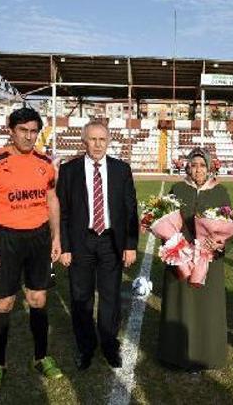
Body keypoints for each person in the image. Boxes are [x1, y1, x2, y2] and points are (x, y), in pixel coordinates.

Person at [0, 107, 64, 392]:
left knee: (37, 299)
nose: (29, 136)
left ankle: (41, 356)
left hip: (38, 239)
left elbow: (51, 200)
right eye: (23, 130)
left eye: (34, 131)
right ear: (10, 130)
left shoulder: (45, 162)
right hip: (5, 239)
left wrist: (56, 237)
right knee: (3, 304)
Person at [56, 121, 138, 370]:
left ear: (108, 141)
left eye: (102, 139)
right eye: (93, 139)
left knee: (110, 297)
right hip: (81, 242)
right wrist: (66, 246)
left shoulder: (121, 169)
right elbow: (63, 212)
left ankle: (109, 346)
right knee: (81, 298)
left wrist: (130, 244)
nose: (98, 144)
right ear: (84, 141)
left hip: (110, 241)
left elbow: (130, 209)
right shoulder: (69, 170)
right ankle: (86, 347)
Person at [157, 148, 231, 371]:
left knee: (207, 307)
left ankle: (206, 354)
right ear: (187, 167)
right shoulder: (177, 189)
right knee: (180, 303)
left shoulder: (220, 192)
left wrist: (216, 244)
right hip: (180, 256)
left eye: (202, 165)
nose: (197, 169)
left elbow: (227, 225)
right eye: (193, 164)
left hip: (208, 260)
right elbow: (165, 219)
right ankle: (175, 354)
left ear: (209, 168)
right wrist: (175, 246)